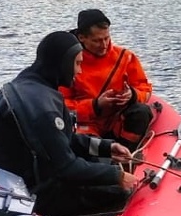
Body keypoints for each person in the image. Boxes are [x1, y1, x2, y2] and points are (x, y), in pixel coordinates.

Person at [0, 30, 137, 216]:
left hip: (7, 188)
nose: (79, 72)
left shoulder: (26, 87)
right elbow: (66, 168)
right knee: (121, 193)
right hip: (28, 199)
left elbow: (62, 139)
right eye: (78, 63)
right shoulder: (42, 107)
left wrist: (106, 147)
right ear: (62, 63)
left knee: (98, 166)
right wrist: (116, 176)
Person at [63, 8, 155, 148]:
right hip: (87, 125)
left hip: (116, 122)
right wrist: (96, 105)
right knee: (82, 143)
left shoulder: (125, 57)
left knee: (141, 112)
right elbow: (62, 106)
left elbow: (145, 88)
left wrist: (132, 95)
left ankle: (126, 155)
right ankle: (104, 160)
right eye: (97, 41)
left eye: (107, 38)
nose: (104, 45)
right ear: (82, 37)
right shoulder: (69, 63)